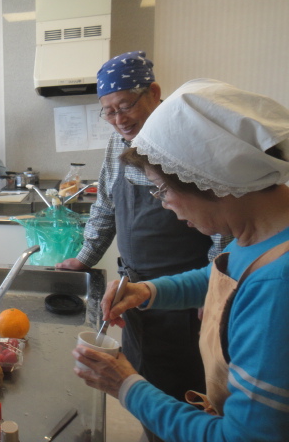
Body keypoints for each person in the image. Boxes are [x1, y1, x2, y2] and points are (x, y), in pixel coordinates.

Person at [73, 78, 289, 441]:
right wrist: (147, 291)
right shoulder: (260, 236)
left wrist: (125, 386)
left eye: (162, 189)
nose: (164, 204)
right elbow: (219, 277)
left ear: (209, 180)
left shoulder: (277, 284)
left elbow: (240, 438)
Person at [56, 51, 231, 439]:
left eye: (125, 106)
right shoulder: (115, 143)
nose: (119, 119)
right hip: (136, 290)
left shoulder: (185, 138)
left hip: (187, 297)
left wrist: (214, 287)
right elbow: (106, 205)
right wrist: (84, 258)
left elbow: (220, 224)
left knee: (185, 391)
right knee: (142, 377)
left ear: (153, 92)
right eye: (109, 111)